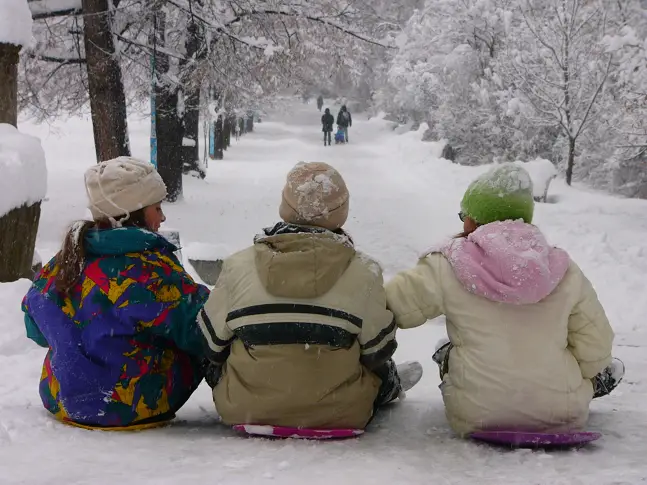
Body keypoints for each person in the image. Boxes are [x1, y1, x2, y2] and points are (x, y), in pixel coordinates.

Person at [385, 163, 624, 437]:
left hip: (476, 413)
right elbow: (596, 347)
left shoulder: (449, 264)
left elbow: (389, 308)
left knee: (448, 351)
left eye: (464, 214)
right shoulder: (562, 269)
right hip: (563, 413)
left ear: (473, 220)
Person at [198, 162, 423, 429]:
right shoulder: (365, 271)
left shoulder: (238, 265)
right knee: (372, 354)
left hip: (244, 408)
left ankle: (261, 392)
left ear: (285, 206)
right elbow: (378, 350)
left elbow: (210, 345)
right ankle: (391, 386)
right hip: (342, 411)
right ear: (342, 213)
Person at [22, 156, 210, 430]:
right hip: (134, 405)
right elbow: (198, 328)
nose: (163, 217)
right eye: (157, 208)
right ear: (131, 214)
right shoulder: (149, 268)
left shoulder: (65, 261)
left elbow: (36, 327)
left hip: (61, 398)